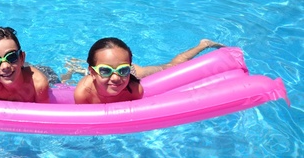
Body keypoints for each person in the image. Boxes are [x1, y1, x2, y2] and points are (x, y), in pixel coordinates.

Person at [73, 38, 224, 104]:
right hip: (95, 79)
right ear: (92, 72)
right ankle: (80, 67)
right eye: (105, 70)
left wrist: (120, 71)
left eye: (122, 70)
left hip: (135, 73)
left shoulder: (135, 89)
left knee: (170, 67)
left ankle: (203, 44)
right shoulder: (83, 93)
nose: (116, 78)